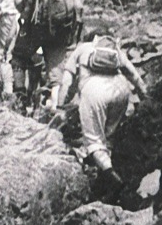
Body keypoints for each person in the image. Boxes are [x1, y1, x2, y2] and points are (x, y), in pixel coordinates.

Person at [57, 32, 145, 183]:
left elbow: (66, 82)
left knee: (94, 141)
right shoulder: (114, 50)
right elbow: (134, 76)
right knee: (108, 135)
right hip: (120, 89)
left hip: (94, 91)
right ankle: (102, 176)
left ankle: (113, 179)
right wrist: (146, 97)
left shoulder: (82, 48)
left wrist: (59, 107)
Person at [18, 0, 83, 109]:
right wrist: (73, 27)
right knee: (56, 69)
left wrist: (27, 16)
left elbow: (19, 1)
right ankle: (54, 108)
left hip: (34, 28)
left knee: (19, 57)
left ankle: (21, 102)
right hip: (59, 28)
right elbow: (78, 5)